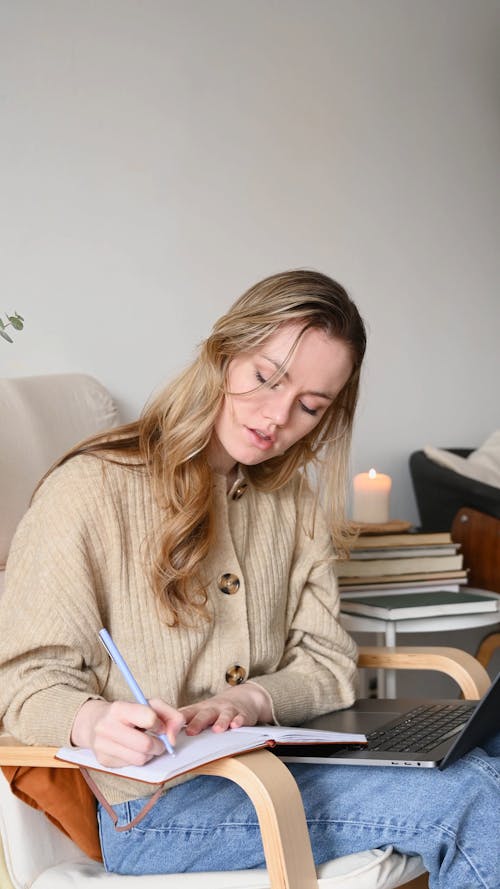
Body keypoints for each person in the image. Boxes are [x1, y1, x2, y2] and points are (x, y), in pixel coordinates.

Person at [0, 269, 498, 888]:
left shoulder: (290, 500)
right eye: (266, 378)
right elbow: (23, 681)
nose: (276, 418)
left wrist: (250, 699)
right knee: (473, 799)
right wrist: (93, 720)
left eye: (310, 406)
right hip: (160, 810)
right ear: (224, 353)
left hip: (281, 768)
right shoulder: (90, 489)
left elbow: (326, 663)